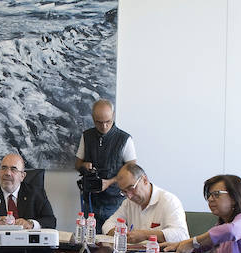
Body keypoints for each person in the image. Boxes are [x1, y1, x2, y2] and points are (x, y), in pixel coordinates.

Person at [74, 99, 137, 228]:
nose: (104, 126)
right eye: (99, 122)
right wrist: (84, 166)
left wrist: (110, 181)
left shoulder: (125, 139)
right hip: (91, 200)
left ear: (113, 116)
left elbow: (132, 170)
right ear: (93, 118)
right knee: (91, 242)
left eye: (108, 122)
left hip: (116, 202)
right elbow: (77, 164)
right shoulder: (87, 136)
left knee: (115, 241)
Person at [0, 153, 57, 233]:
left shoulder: (36, 193)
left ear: (22, 176)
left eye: (13, 169)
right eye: (4, 168)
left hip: (27, 248)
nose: (7, 173)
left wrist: (31, 224)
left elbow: (50, 221)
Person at [100, 162, 188, 243]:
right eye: (124, 192)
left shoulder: (169, 201)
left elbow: (181, 235)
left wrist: (145, 235)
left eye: (131, 188)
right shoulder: (128, 203)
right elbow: (108, 225)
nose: (129, 196)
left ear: (144, 180)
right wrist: (122, 233)